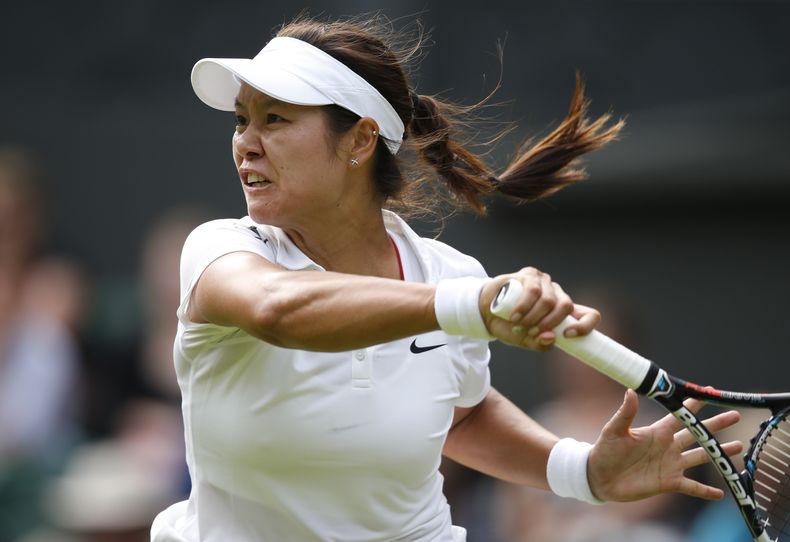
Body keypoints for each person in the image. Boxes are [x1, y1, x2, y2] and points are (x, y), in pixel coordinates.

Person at [151, 14, 741, 542]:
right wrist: (468, 306)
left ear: (358, 139)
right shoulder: (219, 250)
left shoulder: (449, 275)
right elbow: (276, 309)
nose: (244, 144)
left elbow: (462, 413)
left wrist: (581, 472)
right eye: (240, 121)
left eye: (274, 119)